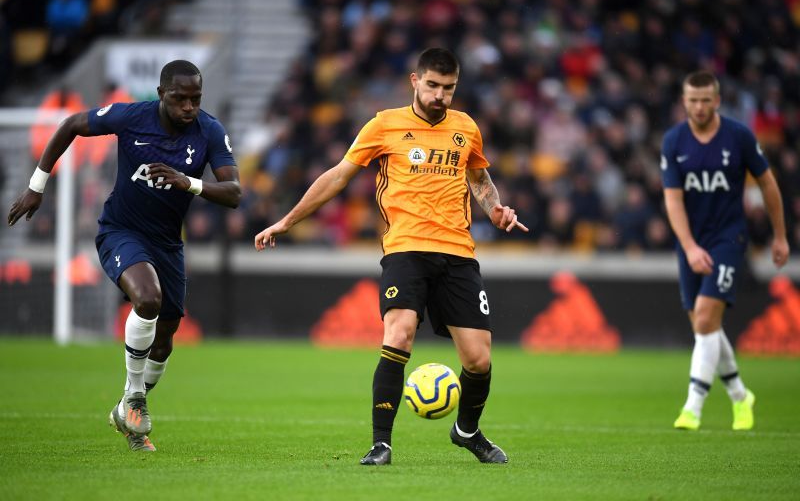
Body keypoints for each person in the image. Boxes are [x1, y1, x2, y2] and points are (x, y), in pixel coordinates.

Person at [254, 47, 527, 465]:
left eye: (448, 88)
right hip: (406, 248)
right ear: (415, 81)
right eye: (433, 85)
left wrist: (495, 208)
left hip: (457, 251)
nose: (440, 95)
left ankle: (466, 431)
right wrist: (287, 221)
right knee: (398, 333)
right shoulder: (385, 125)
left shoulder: (466, 128)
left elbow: (478, 176)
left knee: (479, 358)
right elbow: (339, 175)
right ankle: (381, 443)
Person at [7, 60, 241, 451]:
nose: (189, 107)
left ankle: (126, 410)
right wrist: (37, 185)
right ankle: (133, 395)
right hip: (121, 231)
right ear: (162, 93)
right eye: (180, 98)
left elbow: (233, 192)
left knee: (164, 341)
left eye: (195, 99)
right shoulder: (132, 117)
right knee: (148, 298)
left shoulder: (209, 130)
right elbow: (69, 125)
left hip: (167, 243)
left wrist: (190, 183)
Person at [660, 71, 789, 431]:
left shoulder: (739, 136)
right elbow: (673, 201)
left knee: (704, 318)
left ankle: (693, 407)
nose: (699, 107)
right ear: (684, 102)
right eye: (692, 100)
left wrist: (780, 236)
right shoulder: (674, 141)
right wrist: (689, 247)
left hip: (729, 239)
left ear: (717, 101)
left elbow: (768, 183)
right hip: (692, 240)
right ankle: (739, 395)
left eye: (705, 100)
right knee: (706, 327)